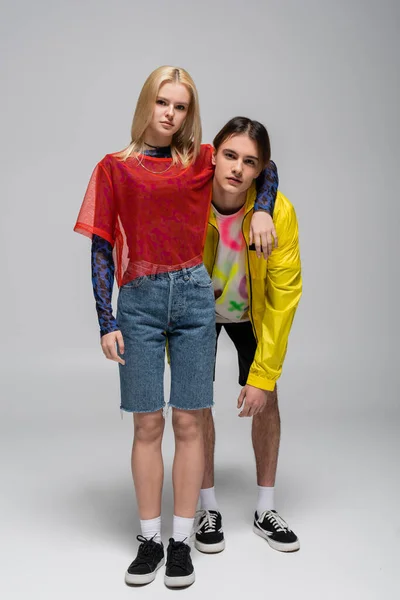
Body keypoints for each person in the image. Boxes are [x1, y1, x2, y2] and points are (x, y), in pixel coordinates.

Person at [74, 67, 279, 588]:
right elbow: (101, 245)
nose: (170, 113)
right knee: (147, 424)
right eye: (163, 102)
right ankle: (149, 539)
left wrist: (264, 210)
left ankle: (181, 541)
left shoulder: (203, 161)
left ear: (190, 114)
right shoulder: (113, 168)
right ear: (147, 102)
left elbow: (265, 167)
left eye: (181, 106)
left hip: (193, 296)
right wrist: (106, 318)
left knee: (190, 421)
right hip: (138, 300)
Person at [195, 117, 302, 555]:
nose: (238, 168)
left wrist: (263, 374)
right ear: (214, 154)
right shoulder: (190, 197)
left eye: (250, 162)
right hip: (197, 313)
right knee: (194, 403)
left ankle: (265, 508)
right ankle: (206, 506)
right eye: (230, 155)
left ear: (261, 170)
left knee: (269, 398)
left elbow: (283, 296)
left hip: (251, 316)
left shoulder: (278, 212)